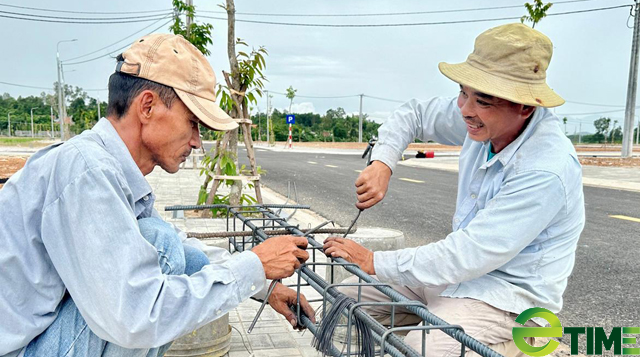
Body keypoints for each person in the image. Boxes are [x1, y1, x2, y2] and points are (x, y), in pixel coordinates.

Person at [0, 34, 314, 357]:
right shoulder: (87, 170)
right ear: (147, 107)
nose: (196, 142)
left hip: (44, 339)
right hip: (23, 349)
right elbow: (136, 315)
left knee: (178, 252)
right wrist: (255, 265)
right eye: (192, 123)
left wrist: (262, 284)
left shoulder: (111, 169)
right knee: (159, 245)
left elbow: (188, 251)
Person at [323, 23, 585, 356]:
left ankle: (526, 346)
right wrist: (383, 163)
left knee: (423, 346)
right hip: (452, 279)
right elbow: (414, 114)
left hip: (507, 298)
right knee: (344, 299)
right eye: (463, 92)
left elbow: (470, 253)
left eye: (483, 101)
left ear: (525, 106)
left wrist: (374, 260)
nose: (465, 109)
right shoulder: (478, 118)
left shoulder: (546, 169)